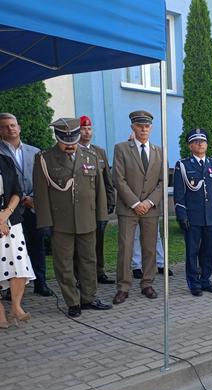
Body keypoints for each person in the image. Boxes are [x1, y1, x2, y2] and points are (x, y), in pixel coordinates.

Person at [33, 118, 112, 317]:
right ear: (57, 137)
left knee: (89, 260)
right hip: (61, 223)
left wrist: (102, 216)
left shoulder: (91, 156)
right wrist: (44, 222)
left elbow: (99, 190)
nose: (69, 144)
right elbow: (41, 194)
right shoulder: (44, 158)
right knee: (64, 264)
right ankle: (72, 301)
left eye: (73, 139)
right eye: (64, 139)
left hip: (88, 219)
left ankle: (89, 298)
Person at [112, 110, 164, 304]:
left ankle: (147, 283)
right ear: (133, 127)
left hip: (150, 209)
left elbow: (162, 181)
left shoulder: (160, 151)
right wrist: (135, 203)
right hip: (128, 208)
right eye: (139, 125)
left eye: (147, 125)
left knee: (149, 248)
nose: (143, 129)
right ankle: (123, 287)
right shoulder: (122, 148)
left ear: (151, 127)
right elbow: (118, 178)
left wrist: (149, 202)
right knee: (125, 248)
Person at [0, 113, 53, 296]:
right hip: (9, 209)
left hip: (31, 205)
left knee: (37, 244)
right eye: (5, 126)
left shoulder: (35, 151)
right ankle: (9, 290)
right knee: (10, 250)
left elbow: (43, 180)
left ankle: (41, 283)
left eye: (13, 125)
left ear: (19, 127)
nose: (10, 129)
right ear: (0, 130)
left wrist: (33, 200)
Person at [174, 129, 212, 296]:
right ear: (190, 146)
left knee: (210, 251)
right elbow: (179, 194)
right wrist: (182, 215)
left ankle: (206, 280)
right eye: (196, 142)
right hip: (193, 217)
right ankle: (194, 283)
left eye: (202, 142)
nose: (200, 144)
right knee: (192, 252)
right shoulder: (183, 165)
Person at [77, 115, 116, 284]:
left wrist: (110, 201)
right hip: (81, 208)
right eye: (83, 129)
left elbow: (108, 179)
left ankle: (99, 272)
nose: (87, 132)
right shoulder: (73, 151)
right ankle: (81, 276)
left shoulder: (99, 152)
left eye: (89, 128)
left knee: (98, 241)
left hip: (99, 206)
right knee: (82, 243)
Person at [0, 153, 34, 326]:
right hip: (2, 222)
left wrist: (6, 214)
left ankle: (15, 307)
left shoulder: (5, 160)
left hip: (11, 221)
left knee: (19, 266)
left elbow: (16, 191)